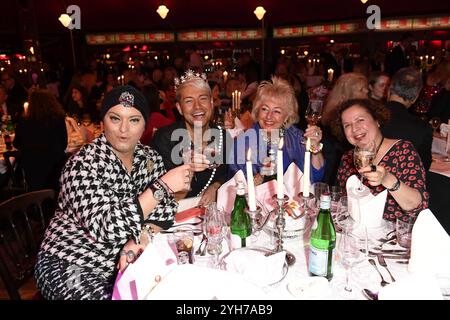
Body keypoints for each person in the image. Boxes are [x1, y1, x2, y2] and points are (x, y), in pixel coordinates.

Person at [34, 85, 191, 299]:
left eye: (134, 120)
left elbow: (166, 209)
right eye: (115, 118)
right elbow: (108, 227)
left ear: (145, 125)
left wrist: (140, 237)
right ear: (102, 122)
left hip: (123, 260)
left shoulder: (149, 158)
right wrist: (162, 187)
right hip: (69, 262)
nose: (123, 129)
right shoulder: (81, 164)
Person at [335, 98, 428, 222]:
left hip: (393, 235)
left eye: (360, 120)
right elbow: (341, 201)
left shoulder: (402, 150)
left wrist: (387, 179)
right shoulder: (347, 158)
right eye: (347, 125)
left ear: (377, 121)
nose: (354, 128)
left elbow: (417, 206)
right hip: (357, 232)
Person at [151, 70, 231, 207]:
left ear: (212, 103)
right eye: (189, 101)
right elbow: (157, 197)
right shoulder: (164, 140)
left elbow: (229, 173)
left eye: (203, 99)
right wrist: (189, 170)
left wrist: (216, 186)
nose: (197, 106)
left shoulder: (223, 136)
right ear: (179, 108)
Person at [229, 76, 325, 184]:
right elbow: (234, 179)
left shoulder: (297, 137)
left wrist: (316, 148)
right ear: (257, 110)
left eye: (277, 111)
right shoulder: (244, 141)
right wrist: (252, 181)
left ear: (287, 116)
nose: (269, 116)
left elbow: (316, 176)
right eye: (264, 109)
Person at [13, 89, 67, 191]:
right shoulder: (58, 119)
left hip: (32, 169)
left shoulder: (24, 122)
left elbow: (16, 143)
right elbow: (64, 144)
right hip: (54, 169)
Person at [382, 67, 432, 170]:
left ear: (389, 89)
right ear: (415, 98)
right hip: (401, 184)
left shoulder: (368, 115)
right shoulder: (423, 128)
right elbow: (423, 168)